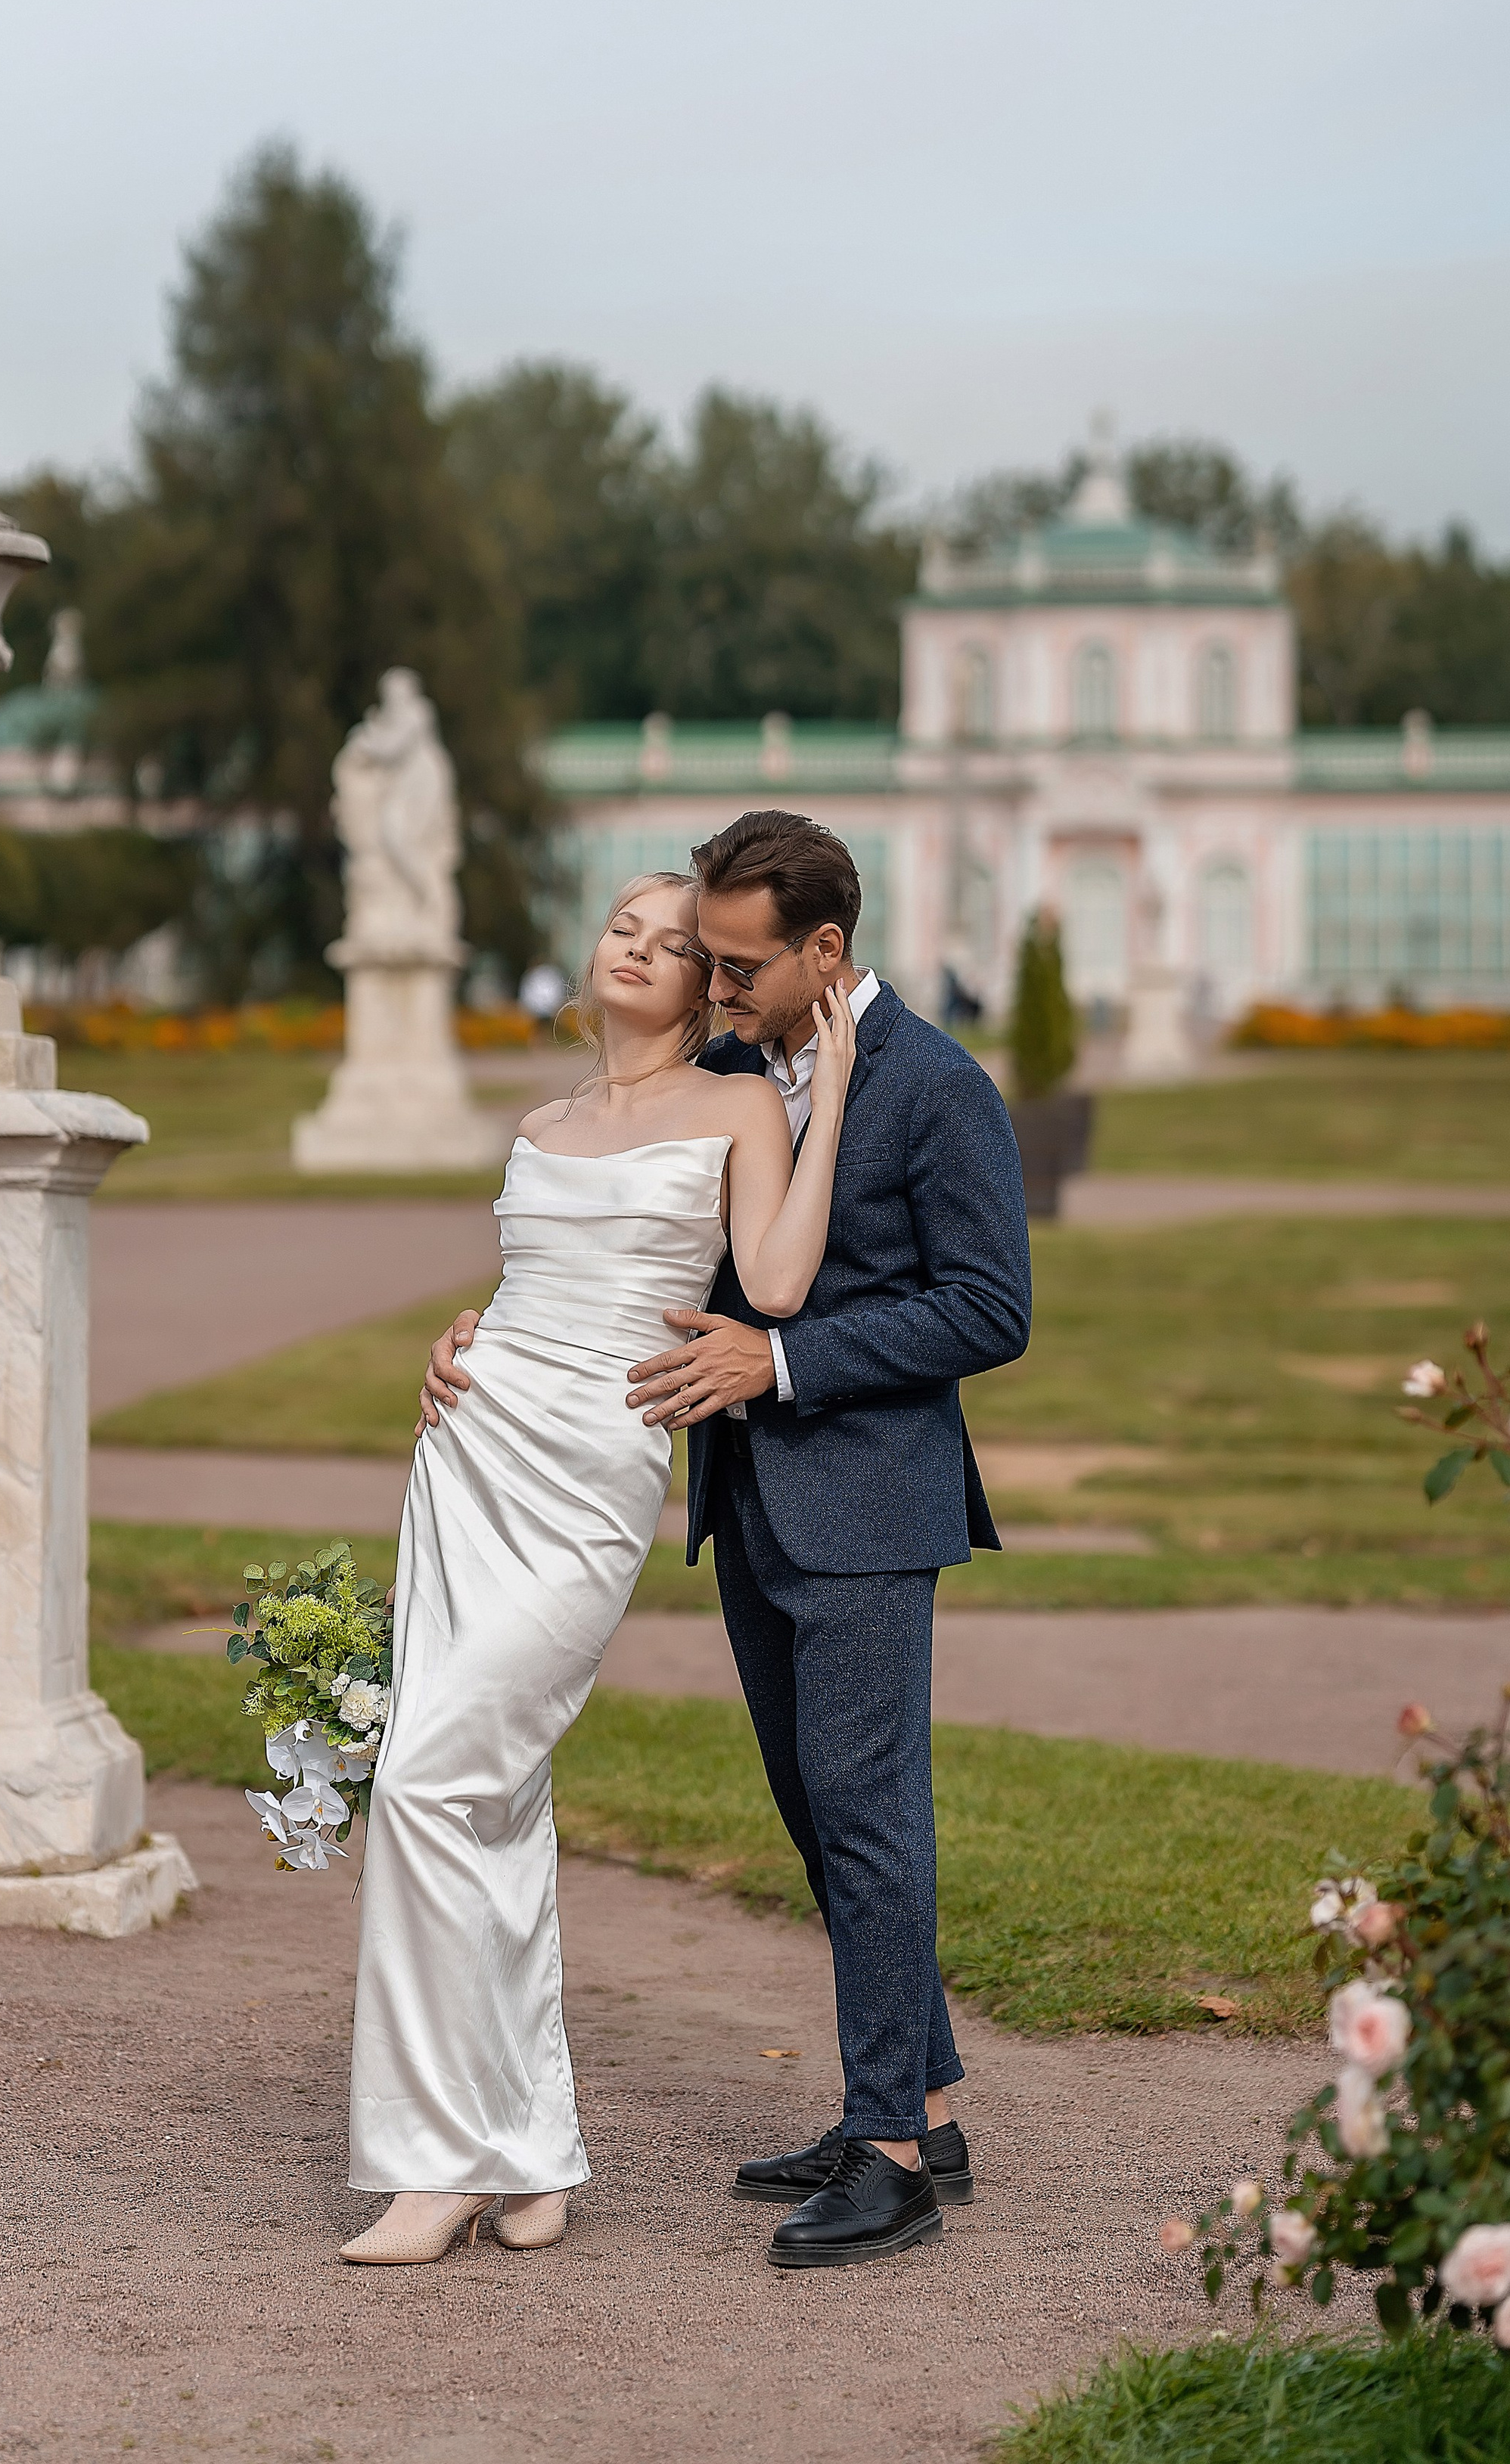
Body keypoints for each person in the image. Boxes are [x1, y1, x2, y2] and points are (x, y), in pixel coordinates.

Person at [421, 811, 1031, 2269]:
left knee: (868, 1810)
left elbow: (990, 1309)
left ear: (827, 949)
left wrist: (788, 1361)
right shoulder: (740, 1073)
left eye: (743, 962)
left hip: (872, 1500)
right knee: (817, 1809)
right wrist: (484, 1332)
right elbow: (624, 1236)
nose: (718, 982)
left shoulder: (939, 1089)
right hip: (746, 1496)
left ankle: (889, 2158)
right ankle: (917, 2098)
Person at [343, 870, 858, 2266]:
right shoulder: (541, 1123)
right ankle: (521, 2159)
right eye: (625, 928)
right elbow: (525, 1283)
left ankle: (441, 2158)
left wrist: (841, 1086)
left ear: (710, 986)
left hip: (593, 1473)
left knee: (429, 1778)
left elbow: (787, 1282)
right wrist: (459, 1332)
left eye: (677, 944)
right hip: (471, 1451)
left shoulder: (743, 1103)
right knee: (484, 1797)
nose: (642, 949)